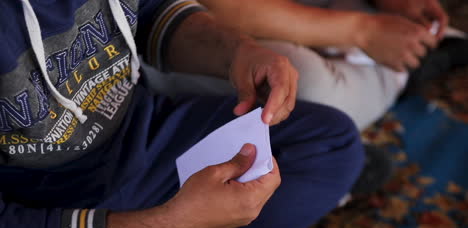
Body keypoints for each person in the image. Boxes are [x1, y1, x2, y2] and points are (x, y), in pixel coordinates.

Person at [0, 0, 364, 228]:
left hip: (143, 126)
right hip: (48, 202)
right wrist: (169, 227)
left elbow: (146, 13)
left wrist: (239, 53)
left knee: (329, 146)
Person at [155, 0, 467, 131]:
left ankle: (401, 58)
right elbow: (212, 9)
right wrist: (361, 30)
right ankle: (401, 72)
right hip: (184, 28)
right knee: (300, 86)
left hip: (316, 9)